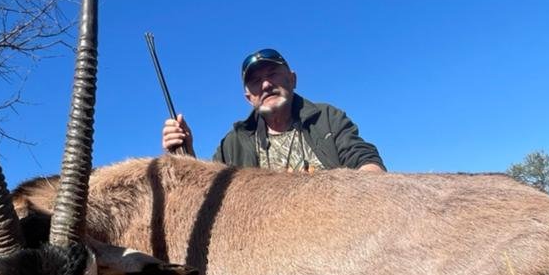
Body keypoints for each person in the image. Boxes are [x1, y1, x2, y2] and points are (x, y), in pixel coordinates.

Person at [161, 48, 385, 172]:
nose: (266, 85)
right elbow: (209, 191)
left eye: (273, 74)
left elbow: (365, 160)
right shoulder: (233, 144)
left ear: (292, 79)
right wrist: (186, 156)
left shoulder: (327, 118)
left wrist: (368, 190)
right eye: (256, 81)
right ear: (249, 98)